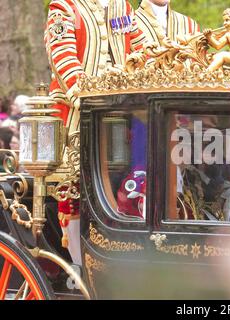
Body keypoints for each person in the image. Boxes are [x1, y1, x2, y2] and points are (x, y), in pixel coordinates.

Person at [45, 0, 147, 266]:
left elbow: (142, 50)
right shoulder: (64, 7)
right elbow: (62, 57)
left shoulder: (122, 7)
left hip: (122, 115)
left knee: (125, 180)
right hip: (77, 114)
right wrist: (89, 98)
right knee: (74, 192)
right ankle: (81, 268)